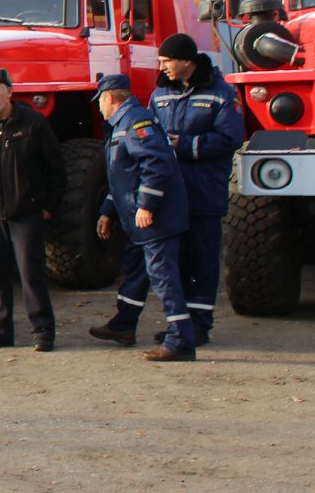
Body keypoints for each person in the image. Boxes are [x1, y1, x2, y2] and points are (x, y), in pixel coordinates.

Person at [90, 73, 199, 361]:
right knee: (137, 272)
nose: (99, 108)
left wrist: (147, 205)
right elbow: (124, 177)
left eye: (100, 101)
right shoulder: (122, 125)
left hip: (155, 221)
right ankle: (124, 325)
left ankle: (180, 341)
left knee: (163, 277)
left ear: (109, 98)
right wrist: (108, 212)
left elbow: (156, 164)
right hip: (140, 222)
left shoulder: (136, 123)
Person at [150, 32, 242, 346]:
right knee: (178, 260)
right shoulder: (160, 93)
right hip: (171, 194)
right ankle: (180, 324)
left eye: (166, 61)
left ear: (187, 61)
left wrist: (186, 145)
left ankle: (201, 324)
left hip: (204, 193)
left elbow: (231, 139)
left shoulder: (221, 94)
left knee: (203, 259)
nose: (161, 67)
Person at [0, 68, 65, 350]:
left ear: (10, 91)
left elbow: (56, 168)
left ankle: (42, 331)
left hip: (27, 213)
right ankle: (0, 330)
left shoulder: (33, 123)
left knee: (31, 274)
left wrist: (48, 206)